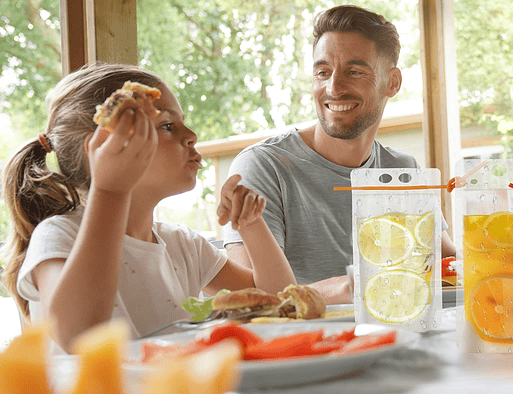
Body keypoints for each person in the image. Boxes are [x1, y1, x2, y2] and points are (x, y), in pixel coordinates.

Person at [1, 62, 296, 352]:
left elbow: (280, 302)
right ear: (104, 145)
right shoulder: (58, 235)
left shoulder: (183, 245)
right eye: (167, 125)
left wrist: (251, 223)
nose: (192, 134)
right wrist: (110, 190)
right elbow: (81, 337)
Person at [224, 4, 456, 303]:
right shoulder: (264, 165)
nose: (333, 87)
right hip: (304, 341)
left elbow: (448, 263)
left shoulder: (401, 168)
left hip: (395, 333)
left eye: (354, 71)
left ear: (392, 82)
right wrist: (353, 285)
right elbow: (251, 294)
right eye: (323, 72)